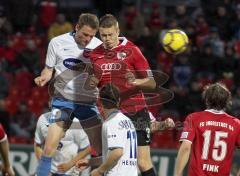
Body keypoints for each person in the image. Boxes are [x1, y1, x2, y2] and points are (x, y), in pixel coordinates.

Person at [87, 14, 174, 176]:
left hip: (134, 109)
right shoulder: (94, 54)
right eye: (103, 35)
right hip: (109, 113)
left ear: (118, 30)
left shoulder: (132, 51)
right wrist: (92, 81)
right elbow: (96, 81)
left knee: (142, 162)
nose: (107, 39)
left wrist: (136, 81)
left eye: (110, 35)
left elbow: (152, 82)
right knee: (103, 157)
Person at [34, 13, 102, 176]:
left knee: (100, 150)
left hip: (88, 102)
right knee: (49, 148)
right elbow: (49, 69)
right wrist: (44, 76)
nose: (87, 39)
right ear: (76, 27)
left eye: (91, 36)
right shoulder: (57, 43)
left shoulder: (99, 46)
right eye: (85, 34)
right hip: (62, 100)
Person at [175, 83, 240, 176]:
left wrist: (177, 174)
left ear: (207, 99)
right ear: (227, 101)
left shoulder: (193, 118)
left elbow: (185, 148)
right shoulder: (236, 124)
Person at [76, 83, 138, 176]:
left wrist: (99, 171)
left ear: (100, 101)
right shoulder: (127, 121)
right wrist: (90, 162)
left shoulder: (111, 122)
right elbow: (115, 156)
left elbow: (117, 153)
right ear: (119, 101)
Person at [34, 112, 91, 176]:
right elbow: (37, 145)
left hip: (69, 171)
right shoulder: (43, 119)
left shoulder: (76, 122)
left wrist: (70, 164)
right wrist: (45, 166)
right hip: (49, 170)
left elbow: (88, 148)